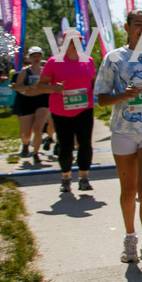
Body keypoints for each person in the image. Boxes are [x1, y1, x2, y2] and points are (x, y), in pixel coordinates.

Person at [94, 9, 142, 273]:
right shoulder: (114, 58)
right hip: (124, 129)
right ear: (127, 28)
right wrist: (123, 95)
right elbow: (102, 98)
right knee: (128, 191)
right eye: (137, 24)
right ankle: (130, 238)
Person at [35, 29, 96, 193]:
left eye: (78, 41)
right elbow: (40, 85)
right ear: (63, 42)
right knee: (66, 145)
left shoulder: (88, 61)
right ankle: (66, 177)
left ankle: (84, 177)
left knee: (85, 144)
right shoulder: (53, 62)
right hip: (61, 110)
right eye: (71, 41)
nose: (75, 44)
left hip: (84, 108)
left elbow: (94, 82)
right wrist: (54, 88)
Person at [9, 46, 51, 164]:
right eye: (34, 56)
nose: (36, 58)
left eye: (38, 56)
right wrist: (28, 87)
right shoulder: (25, 71)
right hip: (26, 101)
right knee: (26, 133)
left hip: (42, 100)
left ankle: (36, 153)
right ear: (30, 58)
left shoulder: (45, 71)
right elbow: (17, 87)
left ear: (42, 57)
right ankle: (25, 144)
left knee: (38, 128)